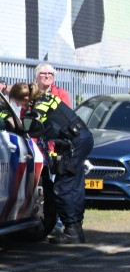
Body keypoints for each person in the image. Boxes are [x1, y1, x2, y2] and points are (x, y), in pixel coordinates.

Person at [11, 81, 92, 245]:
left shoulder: (41, 104)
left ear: (25, 97)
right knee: (73, 185)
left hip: (73, 143)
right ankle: (75, 229)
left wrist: (15, 125)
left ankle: (72, 231)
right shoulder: (43, 99)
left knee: (64, 187)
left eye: (17, 102)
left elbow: (31, 126)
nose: (18, 106)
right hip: (76, 141)